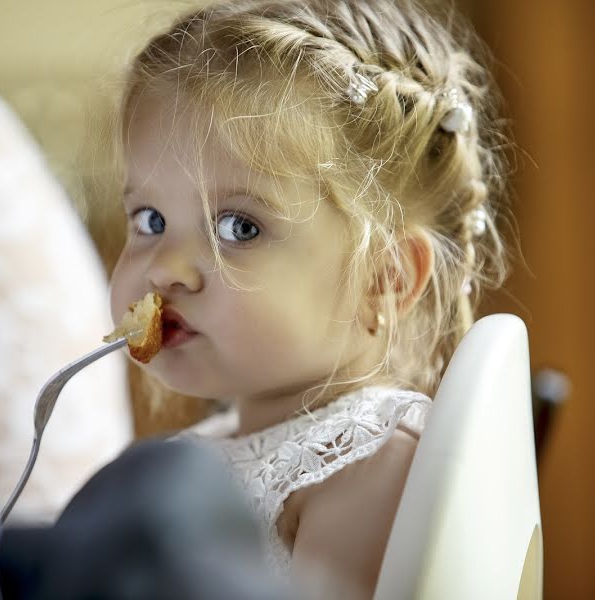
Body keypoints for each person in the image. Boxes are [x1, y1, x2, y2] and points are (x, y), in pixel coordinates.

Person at [107, 0, 511, 597]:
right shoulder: (201, 453)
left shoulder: (371, 468)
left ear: (386, 278)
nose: (165, 269)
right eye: (149, 218)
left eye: (238, 228)